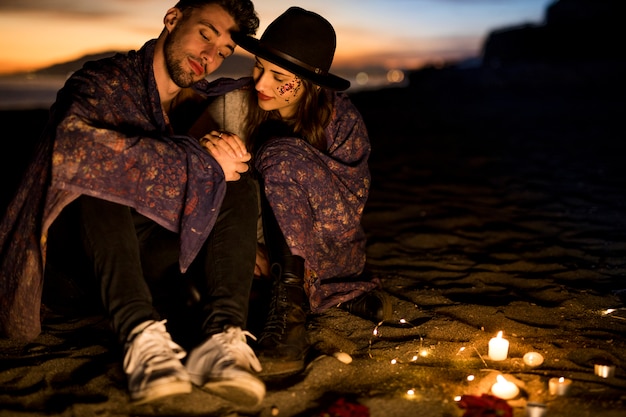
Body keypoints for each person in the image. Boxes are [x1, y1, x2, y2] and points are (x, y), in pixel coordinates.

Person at [0, 0, 267, 407]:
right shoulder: (101, 82)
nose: (209, 57)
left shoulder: (196, 105)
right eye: (206, 34)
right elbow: (74, 150)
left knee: (235, 178)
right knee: (99, 176)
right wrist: (198, 159)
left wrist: (246, 235)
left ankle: (222, 339)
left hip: (151, 263)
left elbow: (209, 187)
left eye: (224, 52)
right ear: (173, 19)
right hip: (79, 269)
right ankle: (141, 337)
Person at [208, 7, 392, 377]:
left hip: (332, 249)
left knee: (279, 155)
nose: (260, 83)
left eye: (279, 77)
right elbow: (201, 172)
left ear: (309, 84)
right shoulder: (236, 104)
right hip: (265, 249)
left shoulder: (342, 122)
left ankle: (291, 316)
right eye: (258, 67)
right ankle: (331, 296)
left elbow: (346, 215)